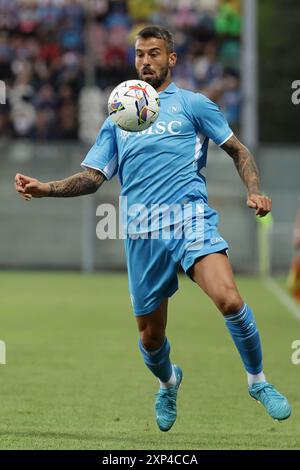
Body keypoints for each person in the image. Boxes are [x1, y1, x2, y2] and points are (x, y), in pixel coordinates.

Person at [15, 26, 291, 432]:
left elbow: (239, 150)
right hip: (142, 232)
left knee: (230, 300)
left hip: (190, 220)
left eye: (155, 53)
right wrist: (46, 189)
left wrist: (254, 191)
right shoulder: (119, 116)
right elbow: (93, 178)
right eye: (140, 54)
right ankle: (169, 381)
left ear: (171, 59)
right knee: (149, 338)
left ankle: (258, 382)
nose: (146, 61)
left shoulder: (195, 105)